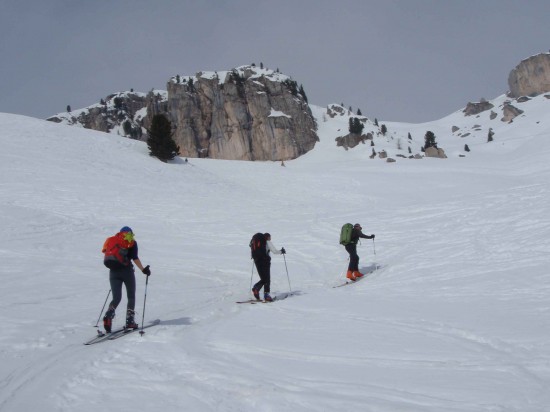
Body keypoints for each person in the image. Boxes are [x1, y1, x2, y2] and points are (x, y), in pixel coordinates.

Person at [103, 227, 151, 332]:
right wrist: (143, 270)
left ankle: (108, 315)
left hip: (113, 271)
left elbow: (106, 253)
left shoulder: (112, 240)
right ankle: (130, 321)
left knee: (116, 298)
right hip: (127, 272)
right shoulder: (131, 242)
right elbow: (135, 258)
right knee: (131, 296)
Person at [252, 233, 286, 302]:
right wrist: (281, 251)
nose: (270, 238)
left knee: (263, 278)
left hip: (257, 261)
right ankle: (265, 294)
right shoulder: (267, 242)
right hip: (265, 262)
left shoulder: (257, 243)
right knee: (267, 279)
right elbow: (274, 251)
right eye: (270, 237)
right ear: (268, 237)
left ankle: (256, 289)